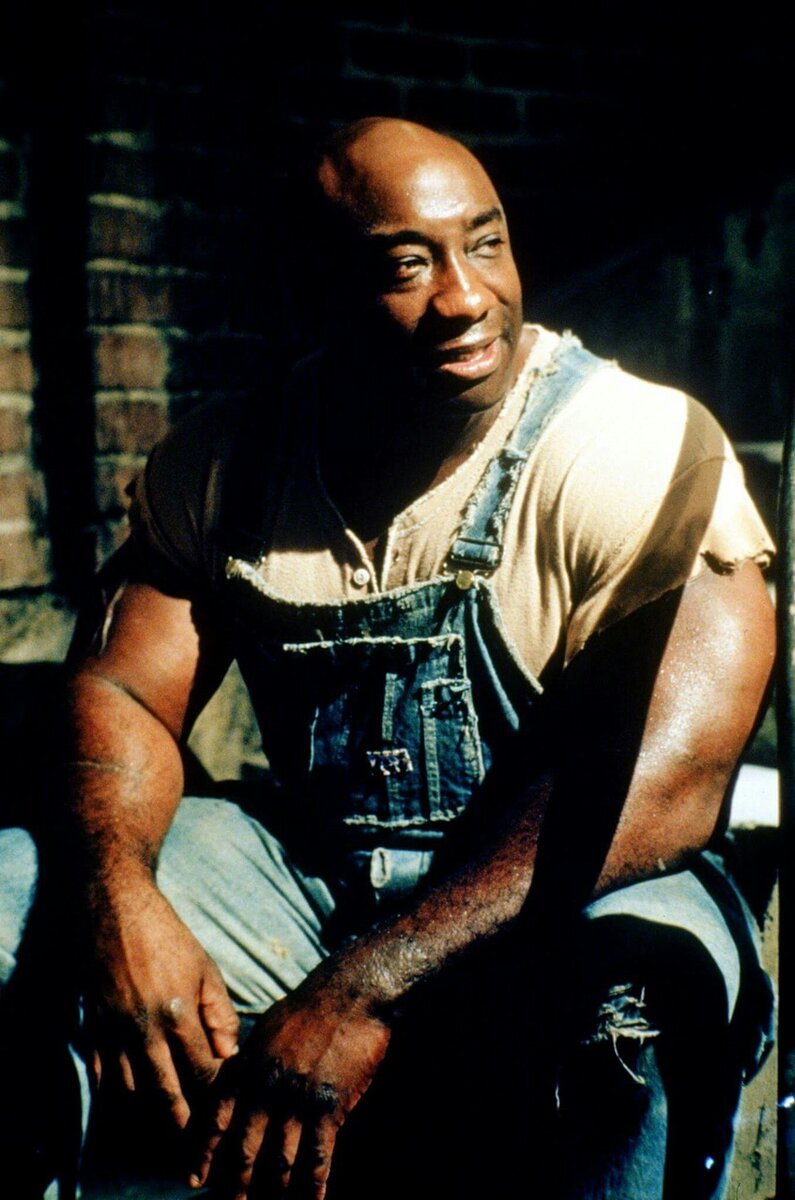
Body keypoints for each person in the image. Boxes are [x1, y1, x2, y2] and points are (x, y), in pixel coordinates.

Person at [0, 117, 777, 1200]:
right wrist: (117, 901)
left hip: (564, 895)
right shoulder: (229, 460)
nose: (465, 298)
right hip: (317, 880)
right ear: (310, 291)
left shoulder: (633, 443)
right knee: (18, 891)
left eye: (486, 243)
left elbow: (664, 790)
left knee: (623, 992)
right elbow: (122, 687)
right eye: (406, 265)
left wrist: (361, 991)